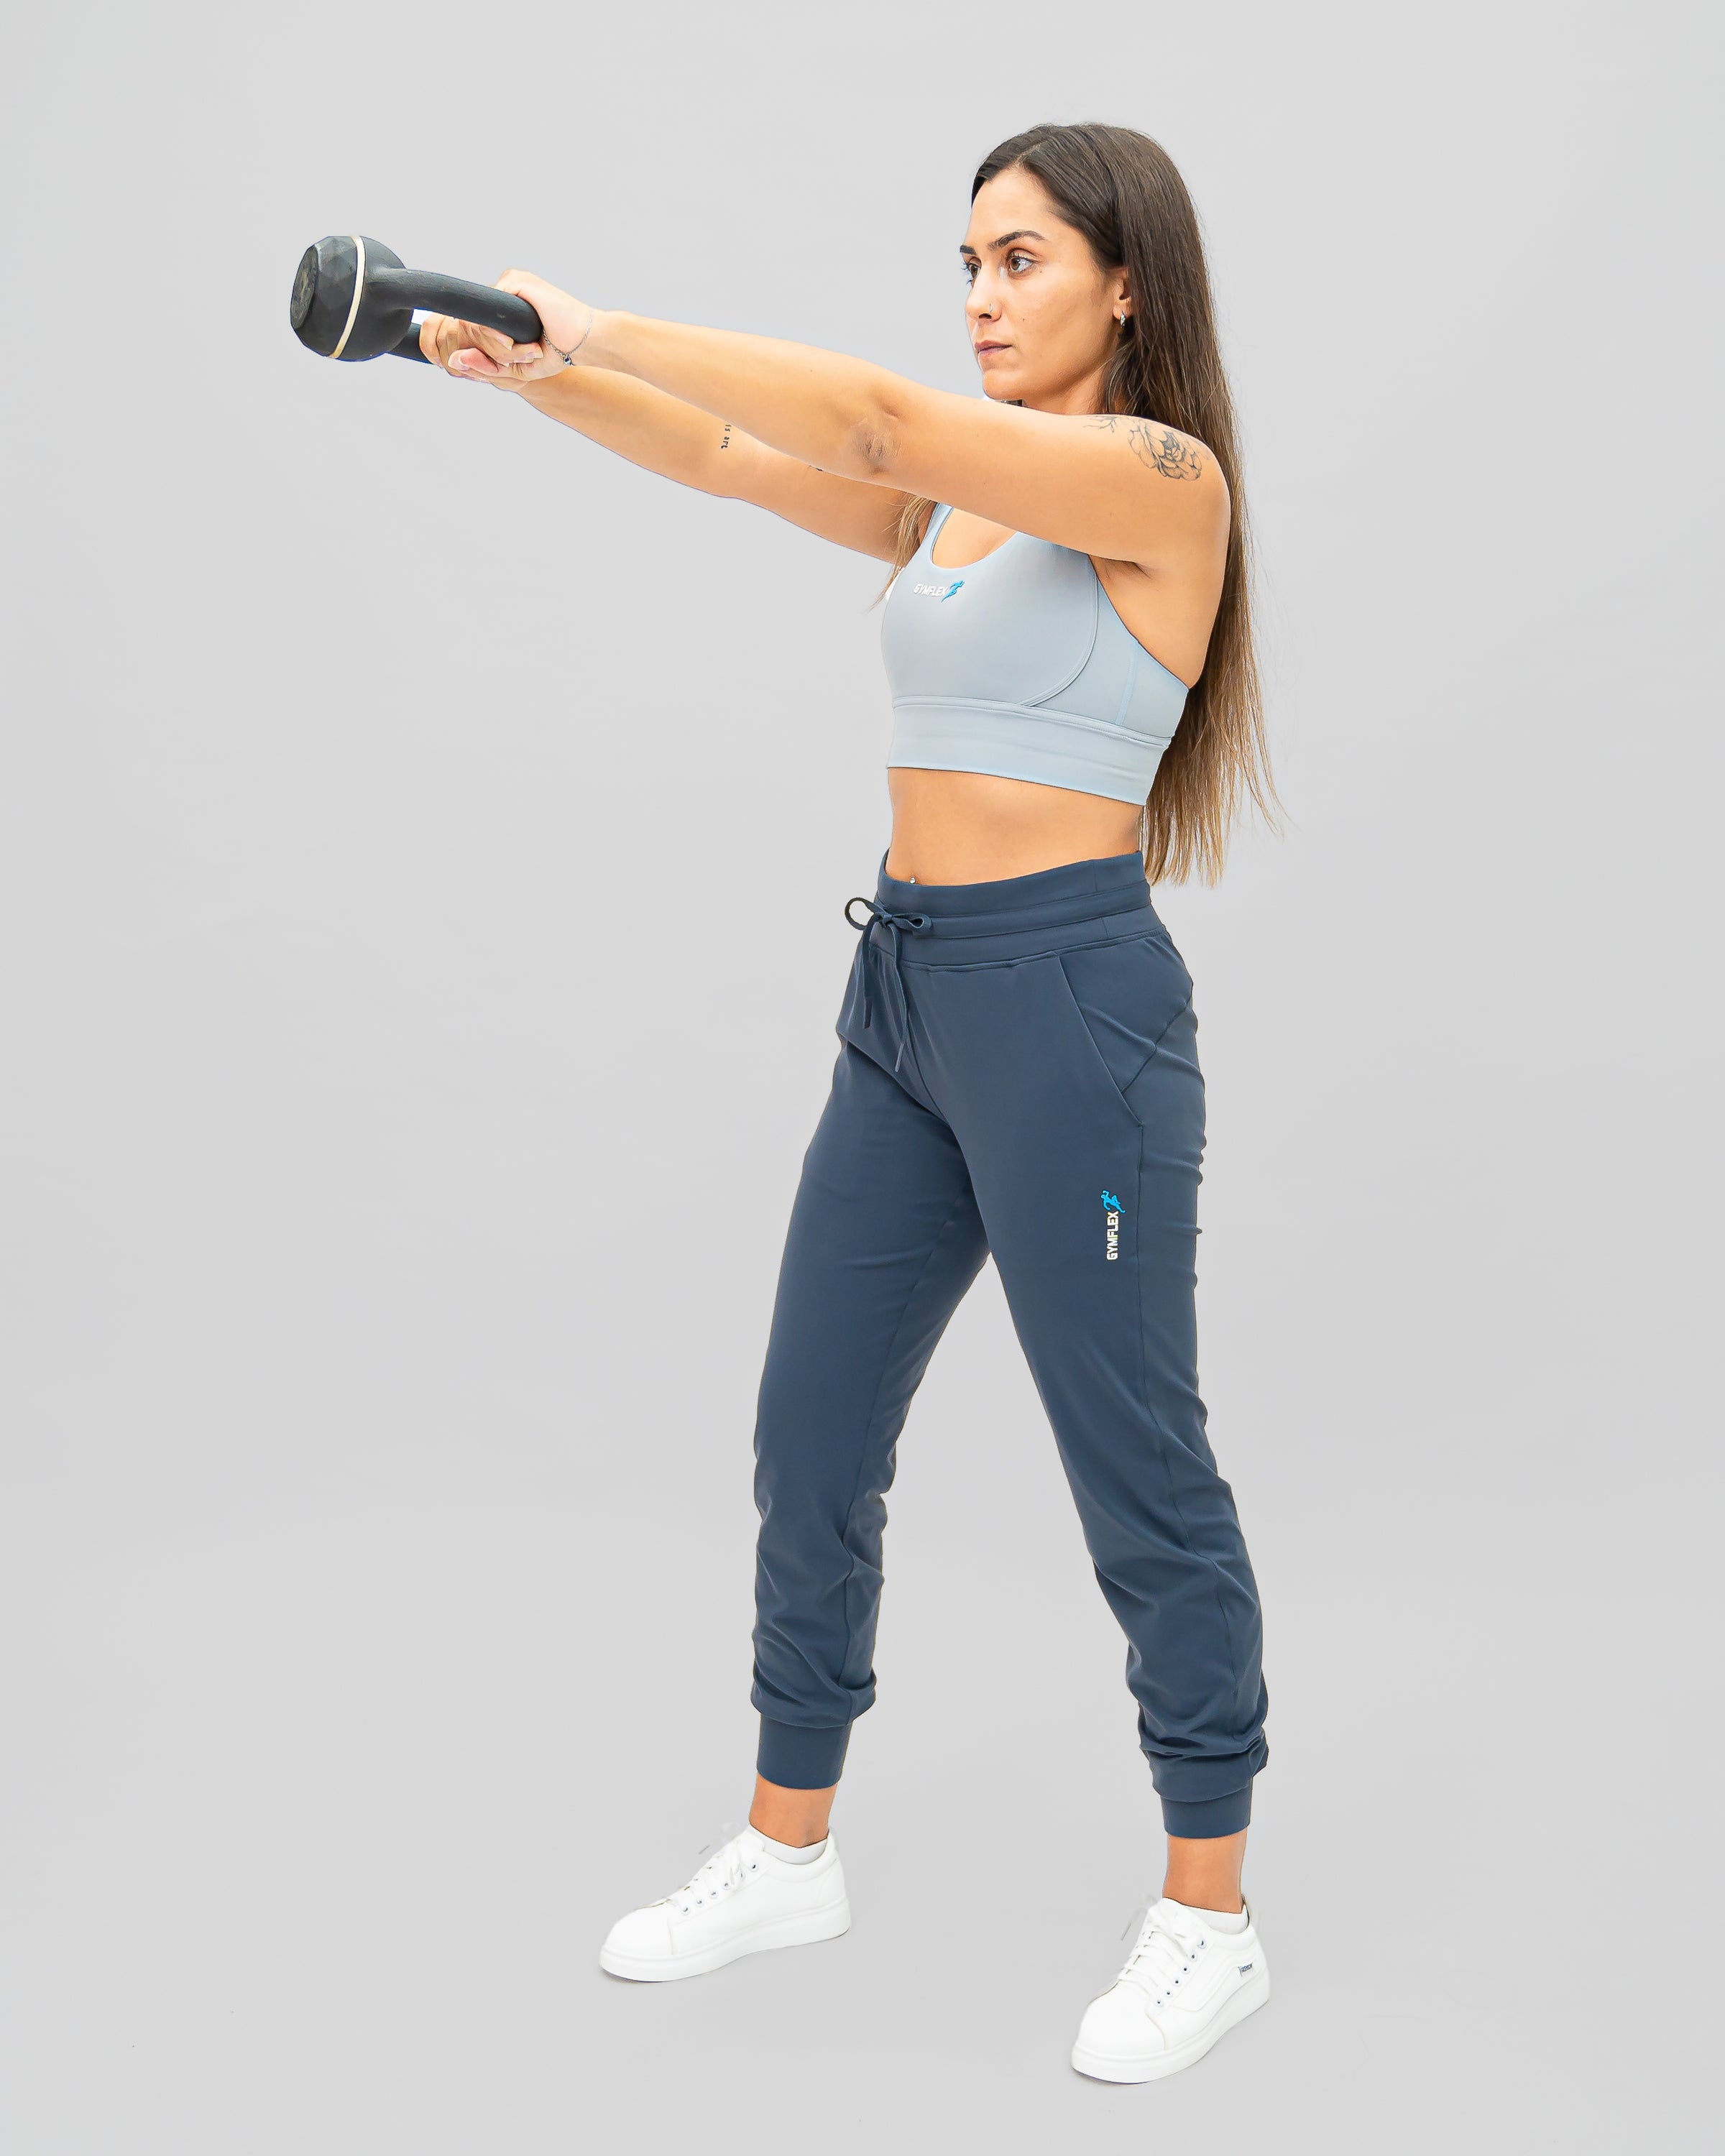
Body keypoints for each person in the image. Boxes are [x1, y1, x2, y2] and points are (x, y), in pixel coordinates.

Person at [419, 120, 1275, 2085]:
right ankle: (787, 1849)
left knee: (1139, 1471)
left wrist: (602, 315)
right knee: (809, 1434)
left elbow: (875, 420)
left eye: (1021, 260)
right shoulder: (963, 503)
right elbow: (736, 459)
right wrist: (544, 375)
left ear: (1128, 282)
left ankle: (1210, 1914)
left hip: (1069, 1017)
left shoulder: (1160, 479)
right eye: (967, 262)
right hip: (905, 999)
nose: (981, 296)